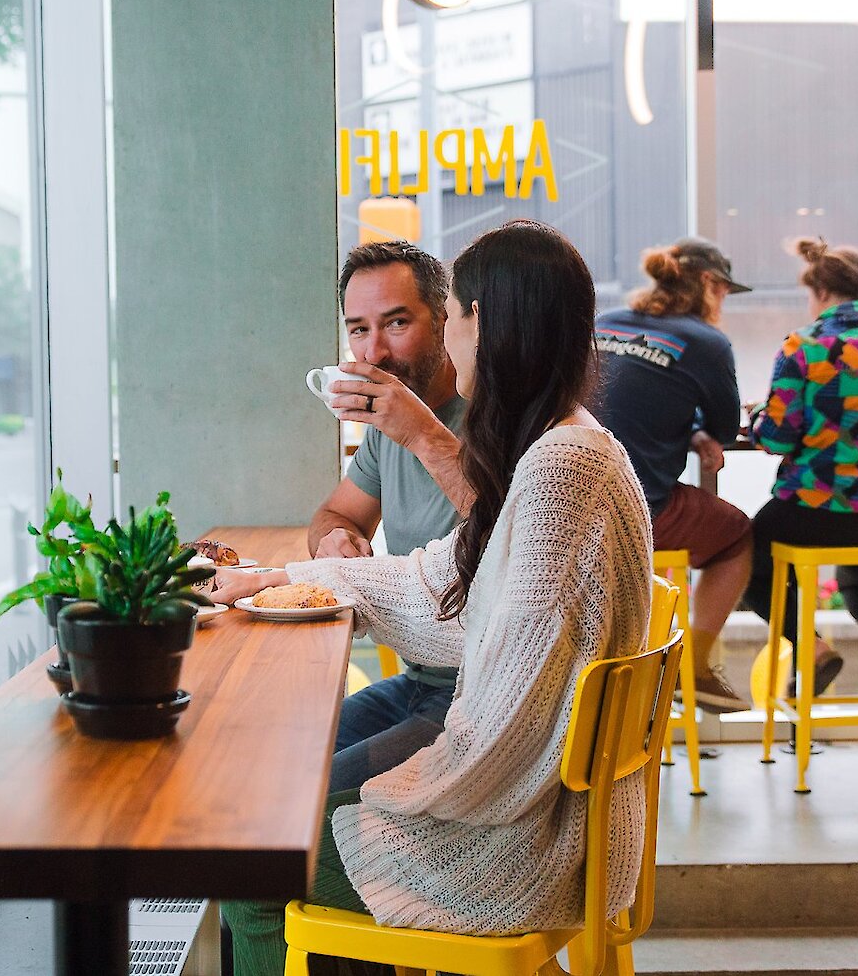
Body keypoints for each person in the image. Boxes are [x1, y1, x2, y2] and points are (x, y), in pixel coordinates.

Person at [207, 221, 655, 976]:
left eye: (458, 320)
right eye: (359, 327)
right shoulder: (564, 442)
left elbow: (510, 712)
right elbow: (440, 581)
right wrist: (274, 580)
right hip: (516, 793)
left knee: (255, 855)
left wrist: (410, 790)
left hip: (515, 835)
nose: (453, 345)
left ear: (487, 324)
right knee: (270, 799)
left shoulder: (561, 466)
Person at [308, 240, 469, 794]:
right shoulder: (387, 429)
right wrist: (338, 540)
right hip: (418, 684)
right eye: (358, 330)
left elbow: (514, 536)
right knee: (276, 764)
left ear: (446, 319)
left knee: (303, 802)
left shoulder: (496, 417)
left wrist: (421, 431)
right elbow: (336, 512)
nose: (373, 352)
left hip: (479, 701)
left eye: (396, 322)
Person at [742, 238, 858, 699]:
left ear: (821, 293)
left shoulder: (803, 347)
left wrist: (756, 417)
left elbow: (779, 437)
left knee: (745, 558)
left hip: (814, 508)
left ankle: (814, 649)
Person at [592, 237, 753, 712]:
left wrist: (689, 428)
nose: (723, 303)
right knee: (737, 535)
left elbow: (629, 400)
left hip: (563, 503)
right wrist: (701, 430)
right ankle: (693, 668)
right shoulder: (707, 342)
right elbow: (726, 427)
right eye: (724, 292)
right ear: (708, 284)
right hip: (637, 510)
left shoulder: (605, 323)